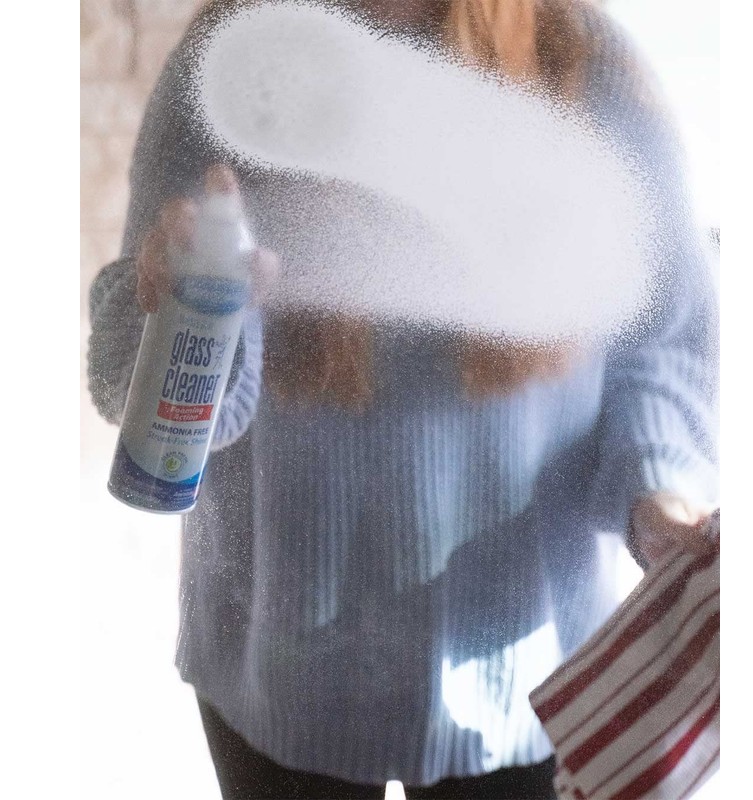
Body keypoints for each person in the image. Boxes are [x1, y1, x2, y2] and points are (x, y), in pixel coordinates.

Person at [87, 0, 719, 797]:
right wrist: (173, 304)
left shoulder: (586, 64)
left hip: (521, 677)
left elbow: (665, 338)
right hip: (273, 669)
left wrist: (658, 490)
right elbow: (125, 379)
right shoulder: (237, 61)